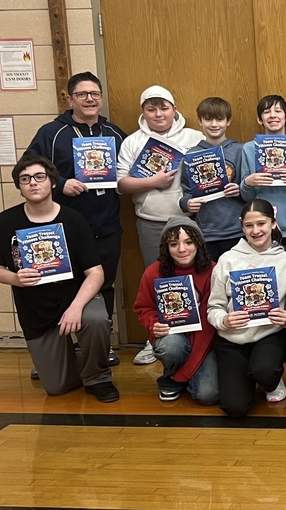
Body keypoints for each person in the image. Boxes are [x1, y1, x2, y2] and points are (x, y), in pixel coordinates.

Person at [0, 154, 119, 402]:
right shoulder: (5, 222)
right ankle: (72, 359)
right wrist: (13, 278)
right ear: (19, 186)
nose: (33, 183)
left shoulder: (73, 220)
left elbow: (95, 273)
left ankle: (97, 376)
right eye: (25, 179)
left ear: (53, 182)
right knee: (57, 387)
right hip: (36, 306)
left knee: (96, 319)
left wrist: (76, 307)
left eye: (39, 177)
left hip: (76, 297)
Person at [25, 71, 126, 368]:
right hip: (63, 229)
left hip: (106, 225)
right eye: (82, 94)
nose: (90, 99)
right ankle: (56, 352)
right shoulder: (51, 132)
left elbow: (130, 172)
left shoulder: (115, 133)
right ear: (70, 99)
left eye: (95, 94)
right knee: (57, 287)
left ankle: (101, 346)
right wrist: (61, 183)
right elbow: (27, 169)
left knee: (104, 286)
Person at [117, 85, 204, 366]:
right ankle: (155, 338)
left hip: (192, 222)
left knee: (199, 280)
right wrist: (153, 182)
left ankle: (199, 336)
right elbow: (120, 184)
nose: (158, 114)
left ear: (174, 109)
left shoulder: (195, 137)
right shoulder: (133, 141)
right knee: (157, 280)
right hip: (151, 222)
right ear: (143, 112)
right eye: (151, 108)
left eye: (163, 107)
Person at [207, 199, 286, 419]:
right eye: (249, 225)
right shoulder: (227, 259)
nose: (256, 230)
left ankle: (269, 380)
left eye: (262, 223)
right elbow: (214, 307)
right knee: (235, 408)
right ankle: (247, 376)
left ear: (273, 224)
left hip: (270, 335)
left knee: (264, 371)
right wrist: (225, 320)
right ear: (242, 226)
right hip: (233, 339)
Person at [133, 217, 218, 405]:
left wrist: (185, 373)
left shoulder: (213, 271)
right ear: (166, 247)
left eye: (189, 242)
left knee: (208, 396)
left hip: (205, 336)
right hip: (172, 336)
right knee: (171, 347)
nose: (181, 249)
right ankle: (173, 374)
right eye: (174, 244)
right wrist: (154, 323)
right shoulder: (153, 272)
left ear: (198, 243)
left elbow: (209, 320)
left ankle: (177, 379)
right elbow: (143, 308)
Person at [239, 95, 286, 254]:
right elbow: (245, 196)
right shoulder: (249, 149)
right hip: (258, 228)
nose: (272, 115)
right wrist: (248, 183)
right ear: (260, 119)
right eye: (266, 112)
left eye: (278, 111)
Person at [179, 97, 245, 260]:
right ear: (200, 121)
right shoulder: (191, 155)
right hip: (206, 232)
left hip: (238, 229)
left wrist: (240, 190)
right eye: (208, 119)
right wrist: (186, 203)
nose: (214, 124)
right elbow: (185, 192)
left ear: (228, 121)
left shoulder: (241, 150)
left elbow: (252, 190)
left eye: (220, 119)